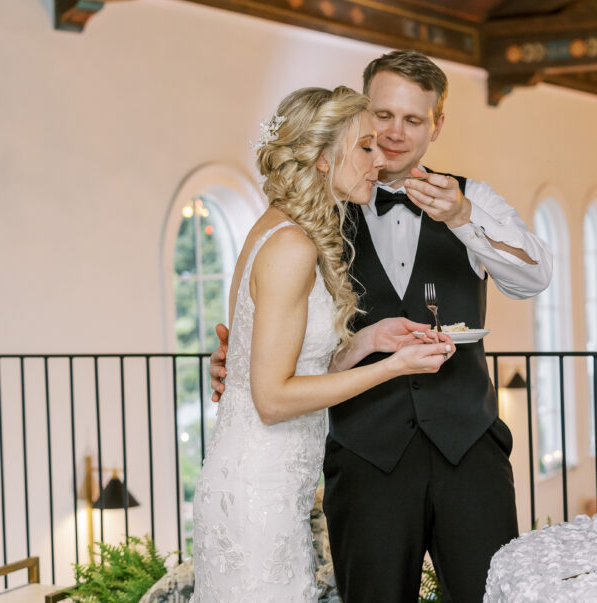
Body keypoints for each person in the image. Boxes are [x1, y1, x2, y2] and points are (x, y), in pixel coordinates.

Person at [210, 51, 552, 602]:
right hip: (364, 456)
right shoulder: (313, 215)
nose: (392, 135)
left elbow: (533, 279)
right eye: (381, 118)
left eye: (413, 120)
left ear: (437, 125)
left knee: (492, 594)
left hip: (469, 449)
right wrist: (241, 361)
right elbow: (273, 328)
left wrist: (463, 219)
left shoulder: (472, 199)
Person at [190, 85, 454, 602]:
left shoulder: (278, 228)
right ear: (319, 157)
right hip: (257, 496)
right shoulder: (291, 245)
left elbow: (290, 364)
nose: (380, 160)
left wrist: (367, 343)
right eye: (365, 147)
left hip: (268, 489)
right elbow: (272, 399)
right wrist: (393, 367)